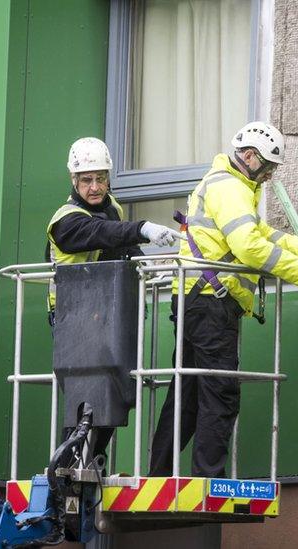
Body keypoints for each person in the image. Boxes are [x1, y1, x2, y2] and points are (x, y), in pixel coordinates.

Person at [148, 122, 298, 478]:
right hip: (211, 303)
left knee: (186, 393)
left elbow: (261, 233)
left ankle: (158, 474)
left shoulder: (230, 185)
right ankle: (206, 480)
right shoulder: (231, 188)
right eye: (267, 167)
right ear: (249, 157)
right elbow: (248, 246)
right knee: (220, 392)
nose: (269, 176)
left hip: (193, 298)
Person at [47, 136, 180, 460]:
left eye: (101, 179)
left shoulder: (111, 208)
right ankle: (67, 473)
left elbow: (119, 246)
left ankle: (89, 464)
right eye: (87, 180)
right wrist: (143, 228)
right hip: (72, 317)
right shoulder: (65, 221)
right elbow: (102, 234)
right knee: (86, 401)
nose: (95, 187)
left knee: (114, 396)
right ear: (74, 181)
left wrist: (150, 264)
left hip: (105, 313)